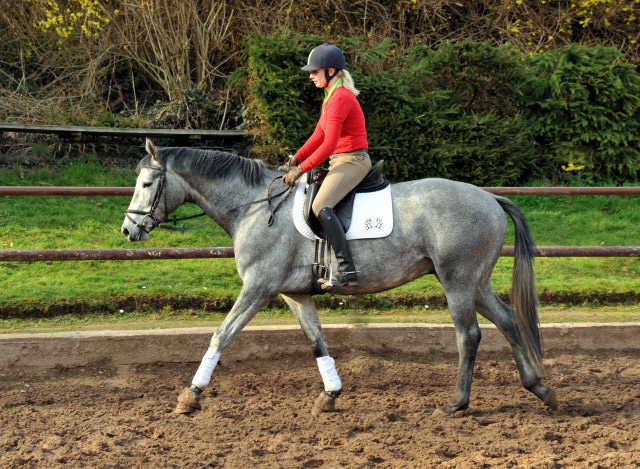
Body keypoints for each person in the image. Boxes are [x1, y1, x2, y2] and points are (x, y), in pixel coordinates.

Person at [283, 43, 372, 290]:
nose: (311, 76)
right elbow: (318, 136)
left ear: (331, 71)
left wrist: (300, 170)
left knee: (321, 204)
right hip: (340, 160)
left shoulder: (340, 98)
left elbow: (329, 144)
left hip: (353, 161)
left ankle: (347, 269)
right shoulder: (331, 97)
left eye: (315, 71)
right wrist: (296, 158)